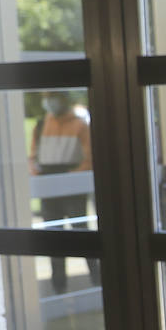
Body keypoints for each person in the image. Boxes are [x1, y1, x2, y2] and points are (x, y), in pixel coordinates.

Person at [29, 92, 98, 292]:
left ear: (63, 99)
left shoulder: (79, 125)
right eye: (46, 97)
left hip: (73, 187)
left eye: (52, 97)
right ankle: (58, 287)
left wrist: (70, 176)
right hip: (49, 187)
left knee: (81, 234)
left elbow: (89, 159)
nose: (48, 101)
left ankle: (97, 281)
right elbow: (33, 156)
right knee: (53, 237)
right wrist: (37, 171)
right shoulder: (41, 125)